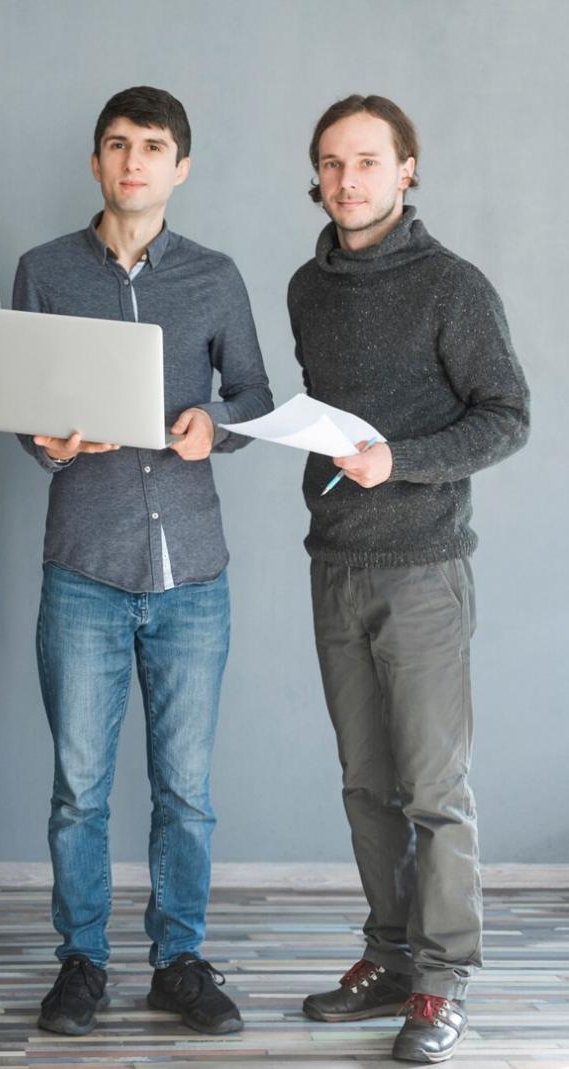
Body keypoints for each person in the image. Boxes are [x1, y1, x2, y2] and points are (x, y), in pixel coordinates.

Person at [11, 86, 272, 1038]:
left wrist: (217, 424)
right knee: (77, 791)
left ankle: (179, 961)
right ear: (95, 163)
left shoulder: (214, 276)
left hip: (191, 571)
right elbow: (19, 405)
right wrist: (45, 442)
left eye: (151, 146)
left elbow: (254, 394)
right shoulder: (43, 271)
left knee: (185, 794)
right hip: (82, 565)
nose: (132, 161)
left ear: (179, 167)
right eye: (117, 145)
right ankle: (80, 960)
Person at [289, 94, 528, 1064]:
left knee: (433, 789)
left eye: (366, 161)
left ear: (405, 169)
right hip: (334, 562)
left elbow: (506, 414)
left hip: (424, 569)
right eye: (331, 163)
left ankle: (441, 980)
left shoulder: (451, 285)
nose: (347, 180)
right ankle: (388, 956)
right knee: (365, 787)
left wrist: (401, 460)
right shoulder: (306, 288)